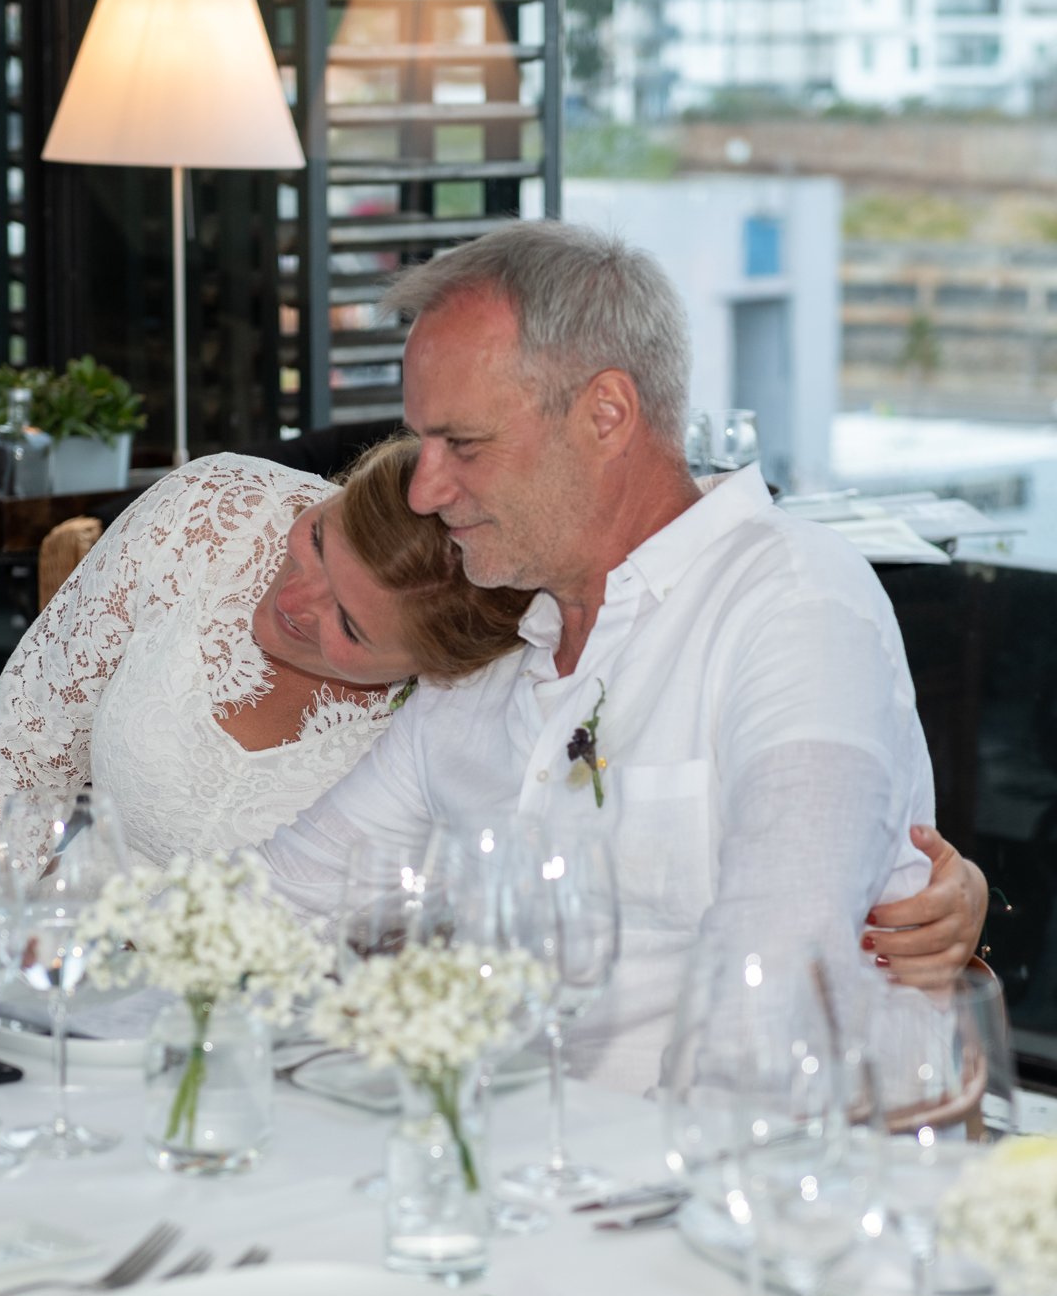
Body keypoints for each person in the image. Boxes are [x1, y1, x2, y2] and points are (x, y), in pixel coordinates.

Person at [258, 221, 988, 1094]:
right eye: (423, 445)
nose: (426, 488)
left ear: (606, 414)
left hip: (743, 1181)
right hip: (517, 1162)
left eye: (464, 445)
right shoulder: (493, 660)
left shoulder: (796, 606)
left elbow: (774, 984)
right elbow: (287, 900)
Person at [0, 434, 531, 863]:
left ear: (437, 667)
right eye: (320, 539)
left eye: (349, 626)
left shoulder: (496, 697)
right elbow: (14, 768)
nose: (295, 600)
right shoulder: (206, 511)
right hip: (79, 957)